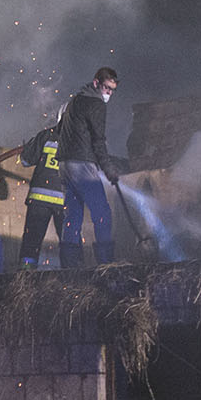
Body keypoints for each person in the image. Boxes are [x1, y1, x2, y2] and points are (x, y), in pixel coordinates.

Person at [55, 67, 127, 267]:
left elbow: (60, 130)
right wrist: (108, 168)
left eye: (112, 90)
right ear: (96, 83)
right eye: (106, 88)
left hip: (64, 165)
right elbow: (98, 140)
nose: (108, 93)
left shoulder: (74, 102)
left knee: (72, 215)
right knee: (101, 213)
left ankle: (69, 266)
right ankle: (106, 264)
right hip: (82, 165)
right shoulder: (96, 103)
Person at [17, 122, 66, 269]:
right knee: (69, 242)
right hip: (65, 201)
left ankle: (25, 275)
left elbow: (25, 160)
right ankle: (73, 274)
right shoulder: (79, 138)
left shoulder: (46, 135)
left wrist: (28, 147)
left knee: (31, 241)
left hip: (39, 198)